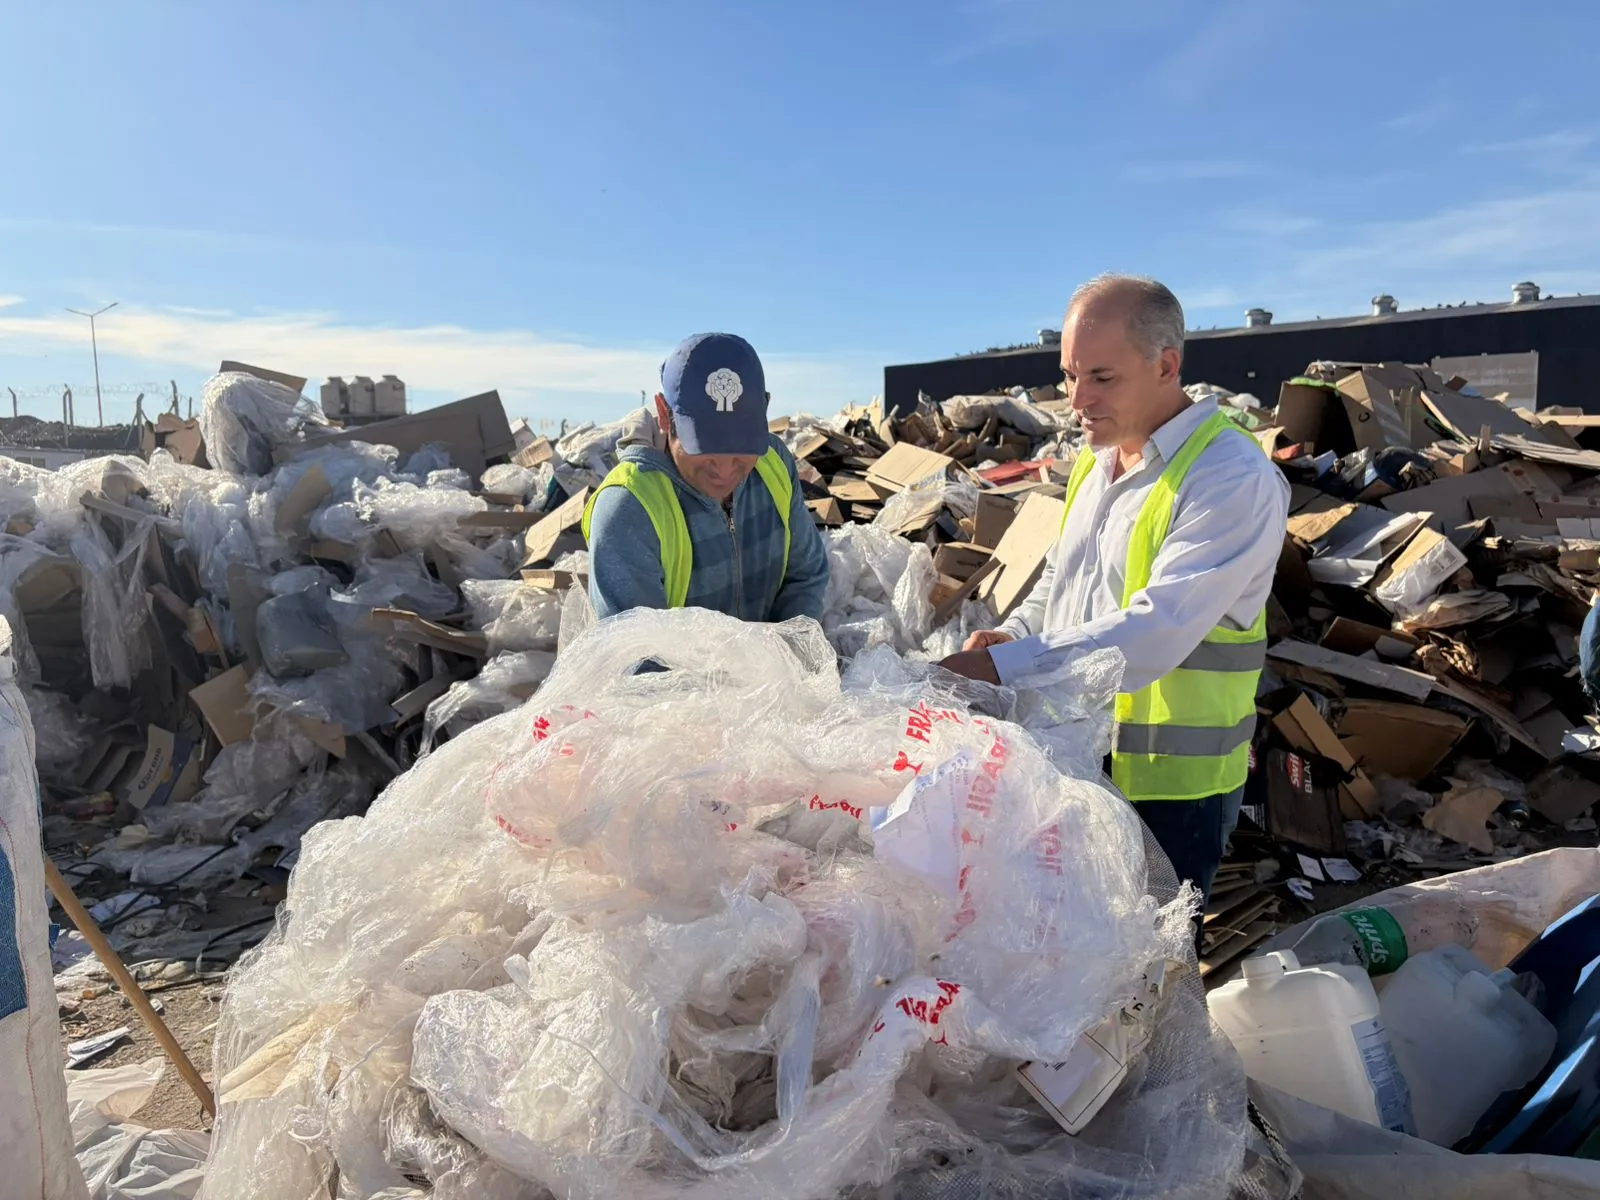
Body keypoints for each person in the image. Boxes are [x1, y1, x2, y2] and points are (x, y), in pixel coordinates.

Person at [939, 275, 1290, 909]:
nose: (1077, 398)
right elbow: (1062, 582)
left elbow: (1158, 629)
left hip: (1168, 794)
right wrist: (1014, 635)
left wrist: (1002, 667)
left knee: (1145, 984)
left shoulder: (1229, 476)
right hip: (1075, 761)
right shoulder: (1099, 466)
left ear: (1167, 365)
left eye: (1101, 377)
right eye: (1070, 375)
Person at [583, 332, 830, 623]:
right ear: (665, 414)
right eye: (704, 447)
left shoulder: (773, 462)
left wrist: (791, 654)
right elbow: (637, 656)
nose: (725, 471)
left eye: (741, 447)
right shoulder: (629, 510)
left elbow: (806, 576)